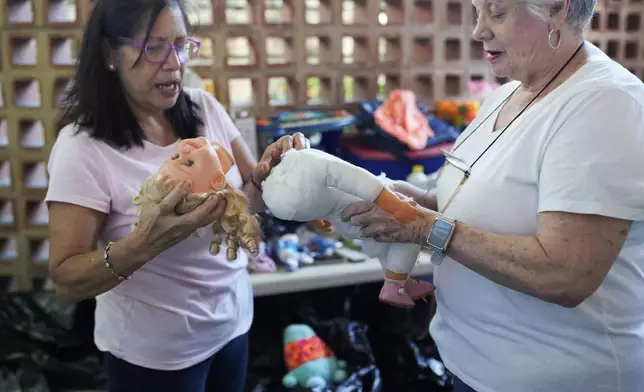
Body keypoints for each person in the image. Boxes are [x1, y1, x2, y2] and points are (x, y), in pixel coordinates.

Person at [342, 1, 644, 391]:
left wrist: (427, 228)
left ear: (556, 9)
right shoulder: (506, 96)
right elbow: (462, 203)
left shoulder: (606, 104)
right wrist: (389, 196)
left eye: (497, 13)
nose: (478, 31)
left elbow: (566, 275)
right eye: (477, 11)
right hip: (473, 367)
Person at [44, 1, 309, 391]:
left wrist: (273, 172)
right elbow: (66, 279)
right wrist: (145, 244)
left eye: (181, 45)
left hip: (231, 323)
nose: (173, 63)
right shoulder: (82, 148)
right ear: (109, 54)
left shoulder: (205, 108)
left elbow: (249, 198)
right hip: (154, 354)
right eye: (154, 47)